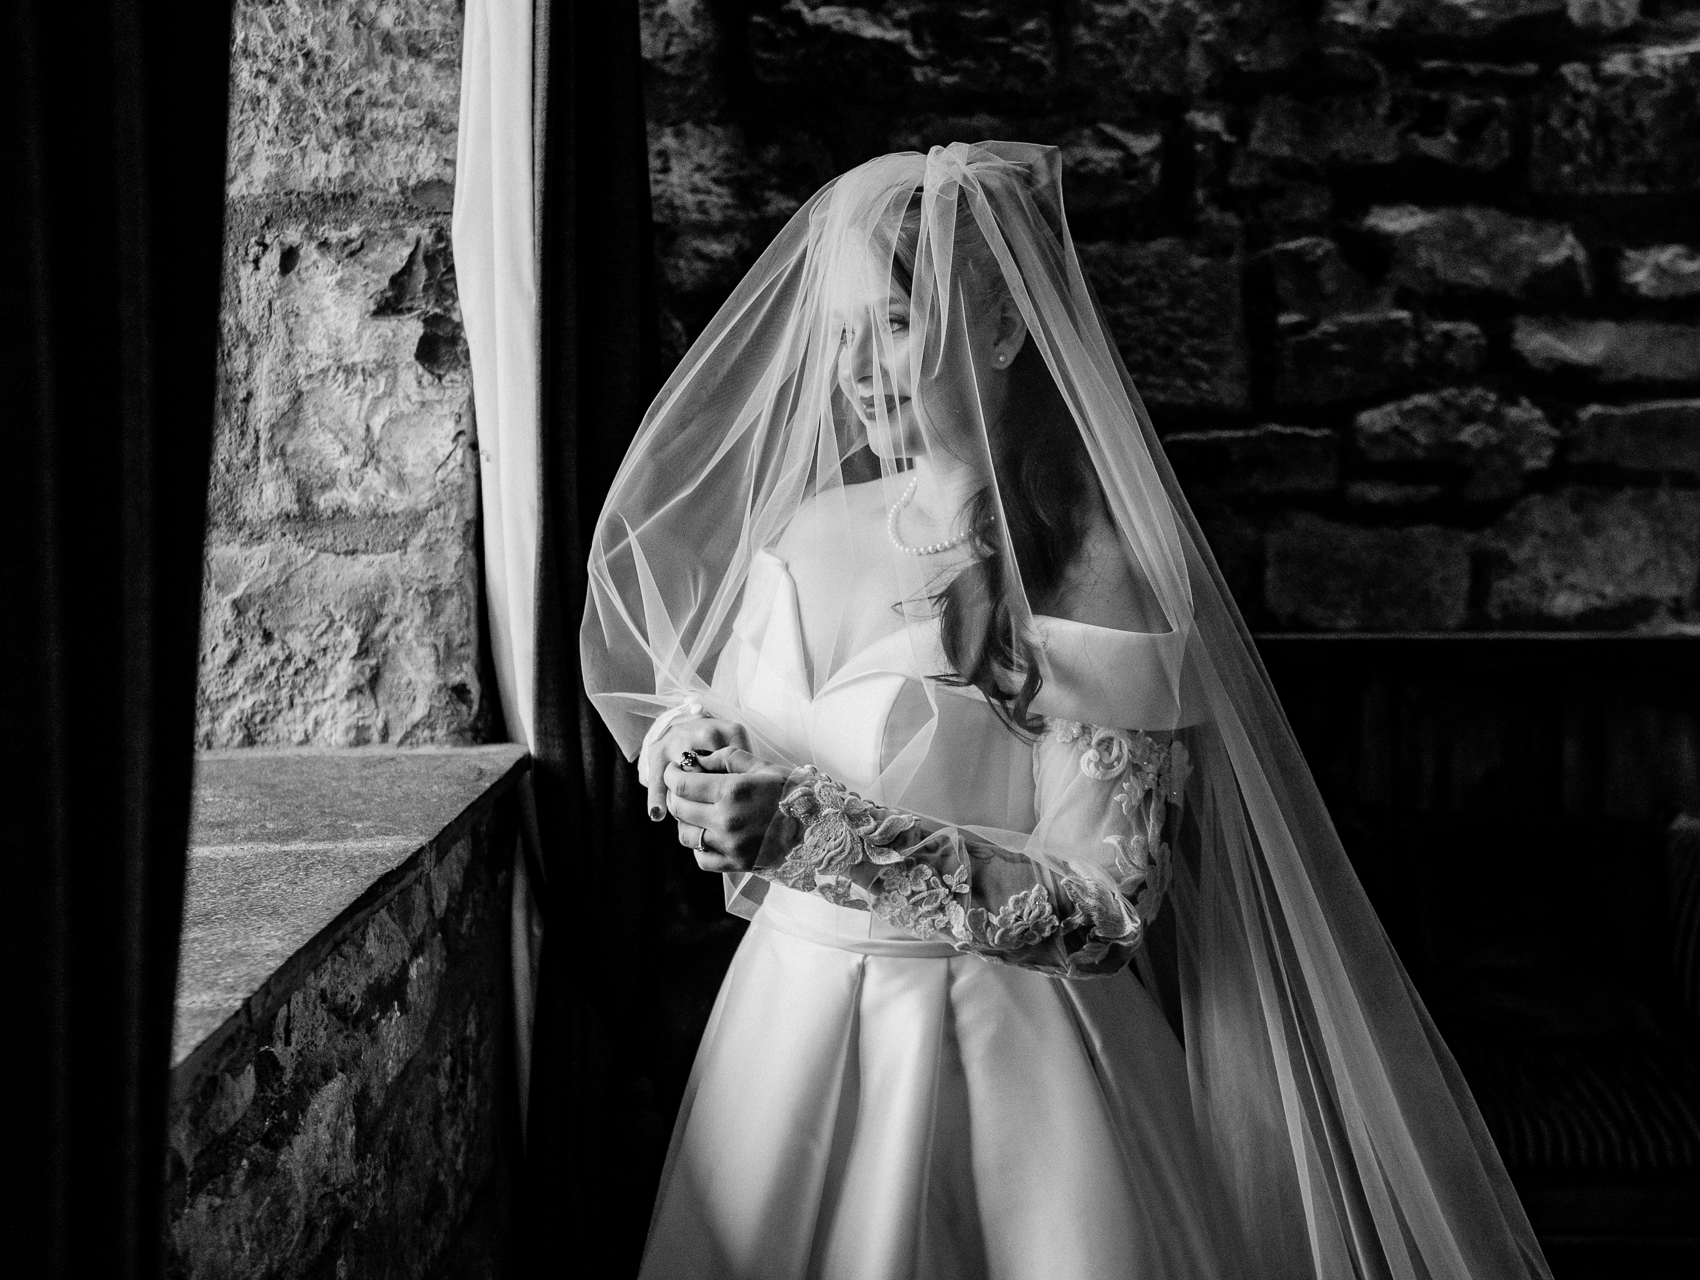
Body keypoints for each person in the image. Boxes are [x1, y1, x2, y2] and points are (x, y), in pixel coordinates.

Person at [581, 142, 1549, 1279]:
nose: (854, 371)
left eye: (890, 325)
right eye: (838, 334)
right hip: (779, 1048)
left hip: (997, 1078)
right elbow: (730, 721)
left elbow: (1106, 908)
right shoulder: (806, 530)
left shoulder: (1093, 572)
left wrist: (806, 832)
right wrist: (693, 750)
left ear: (1002, 330)